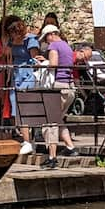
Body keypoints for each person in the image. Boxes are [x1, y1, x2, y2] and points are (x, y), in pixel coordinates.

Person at [39, 24, 77, 167]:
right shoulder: (67, 46)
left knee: (49, 122)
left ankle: (52, 157)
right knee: (58, 119)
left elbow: (54, 65)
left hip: (58, 87)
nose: (47, 41)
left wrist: (44, 63)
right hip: (69, 87)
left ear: (51, 34)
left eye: (46, 37)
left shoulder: (54, 46)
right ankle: (70, 147)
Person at [7, 19, 43, 155]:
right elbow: (10, 58)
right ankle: (25, 139)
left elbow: (35, 59)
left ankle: (28, 141)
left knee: (24, 108)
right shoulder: (11, 42)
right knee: (15, 107)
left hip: (27, 74)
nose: (13, 36)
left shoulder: (30, 40)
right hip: (15, 74)